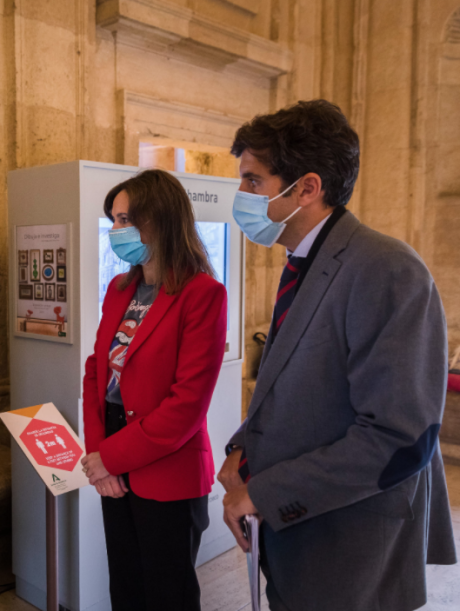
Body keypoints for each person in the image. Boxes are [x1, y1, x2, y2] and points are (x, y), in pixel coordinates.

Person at [218, 100, 457, 611]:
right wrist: (242, 448)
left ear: (307, 188)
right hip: (299, 536)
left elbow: (399, 438)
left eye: (253, 181)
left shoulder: (386, 268)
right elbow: (295, 385)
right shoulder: (306, 262)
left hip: (349, 544)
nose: (242, 196)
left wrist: (266, 492)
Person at [81, 169, 228, 611]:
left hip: (168, 467)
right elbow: (96, 371)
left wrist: (111, 458)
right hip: (113, 456)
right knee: (125, 587)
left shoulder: (203, 294)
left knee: (168, 596)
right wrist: (99, 457)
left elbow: (185, 407)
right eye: (114, 219)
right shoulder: (120, 288)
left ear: (159, 219)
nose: (116, 229)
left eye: (125, 219)